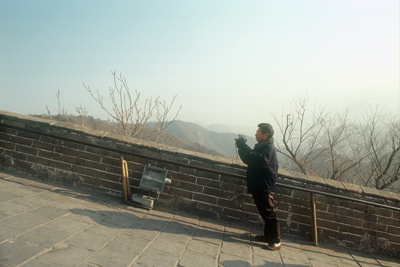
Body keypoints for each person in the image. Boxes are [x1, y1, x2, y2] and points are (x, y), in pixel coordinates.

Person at [235, 123, 281, 251]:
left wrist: (244, 146)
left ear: (266, 135)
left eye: (258, 131)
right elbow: (249, 158)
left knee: (269, 213)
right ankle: (268, 236)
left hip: (264, 185)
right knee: (264, 212)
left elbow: (256, 158)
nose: (256, 133)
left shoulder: (268, 149)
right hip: (259, 184)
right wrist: (241, 146)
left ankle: (276, 240)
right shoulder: (262, 146)